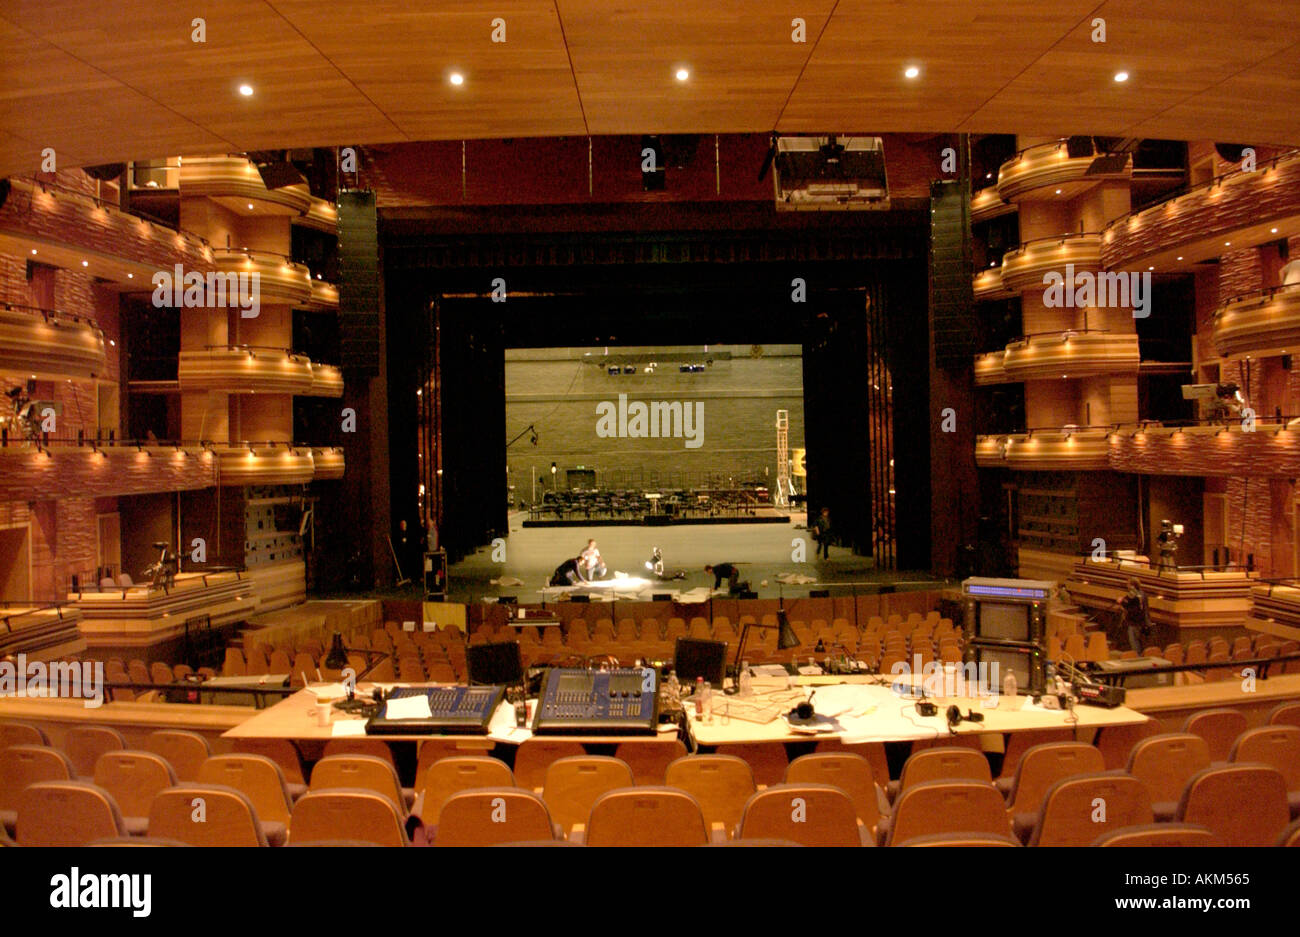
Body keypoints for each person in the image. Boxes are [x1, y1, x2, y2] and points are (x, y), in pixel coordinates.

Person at [1116, 578, 1151, 655]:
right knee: (1141, 643)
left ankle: (1138, 659)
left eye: (1128, 584)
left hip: (1134, 622)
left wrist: (1120, 601)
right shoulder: (1143, 593)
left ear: (1132, 585)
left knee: (1134, 643)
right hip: (1143, 622)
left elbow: (1125, 602)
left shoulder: (1133, 593)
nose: (1127, 586)